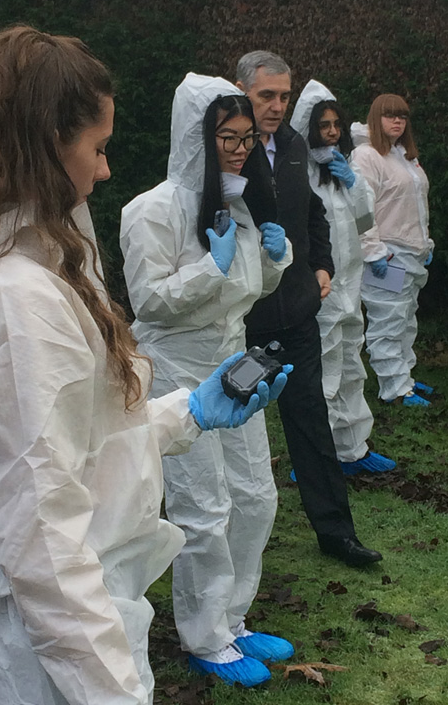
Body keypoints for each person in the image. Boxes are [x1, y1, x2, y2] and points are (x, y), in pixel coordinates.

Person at [0, 28, 288, 705]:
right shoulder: (17, 303)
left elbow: (72, 450)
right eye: (98, 147)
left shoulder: (5, 256)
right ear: (48, 144)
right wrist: (115, 692)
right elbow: (46, 544)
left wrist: (183, 415)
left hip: (54, 625)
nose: (105, 169)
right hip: (56, 639)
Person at [120, 73, 295, 688]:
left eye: (247, 136)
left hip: (230, 359)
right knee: (204, 507)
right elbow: (149, 303)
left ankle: (233, 616)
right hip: (175, 365)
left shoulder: (239, 204)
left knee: (256, 495)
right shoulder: (151, 210)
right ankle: (204, 635)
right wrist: (207, 268)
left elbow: (249, 291)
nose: (240, 147)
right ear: (198, 135)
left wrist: (274, 257)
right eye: (228, 135)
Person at [236, 51, 383, 566]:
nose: (276, 107)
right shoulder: (223, 151)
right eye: (265, 96)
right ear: (241, 91)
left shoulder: (295, 146)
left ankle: (336, 533)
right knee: (232, 430)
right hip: (240, 317)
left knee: (311, 421)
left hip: (297, 310)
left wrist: (320, 265)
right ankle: (228, 544)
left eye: (283, 96)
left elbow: (314, 212)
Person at [289, 79, 396, 475]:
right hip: (319, 287)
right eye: (323, 125)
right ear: (310, 128)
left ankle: (353, 448)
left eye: (336, 124)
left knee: (351, 365)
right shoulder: (298, 173)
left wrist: (355, 185)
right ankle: (314, 456)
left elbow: (364, 219)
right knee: (323, 371)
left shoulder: (342, 169)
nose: (332, 132)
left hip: (349, 285)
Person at [351, 94, 434, 406]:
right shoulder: (366, 156)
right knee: (388, 320)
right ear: (376, 118)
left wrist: (427, 242)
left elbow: (415, 205)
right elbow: (361, 208)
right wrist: (373, 251)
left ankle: (405, 376)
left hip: (412, 253)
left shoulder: (403, 155)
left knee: (406, 319)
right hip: (386, 255)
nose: (397, 121)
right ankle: (394, 388)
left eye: (402, 116)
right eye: (389, 115)